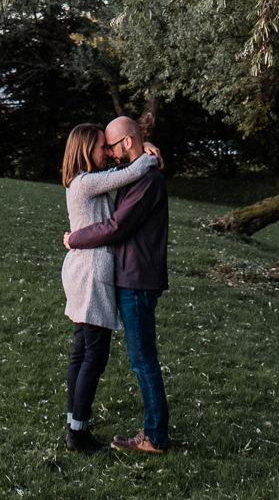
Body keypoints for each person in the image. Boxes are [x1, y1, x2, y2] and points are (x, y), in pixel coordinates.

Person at [63, 115, 170, 455]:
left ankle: (81, 429)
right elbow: (115, 216)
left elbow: (117, 220)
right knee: (91, 355)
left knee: (102, 356)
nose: (107, 153)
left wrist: (146, 153)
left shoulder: (134, 180)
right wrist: (145, 155)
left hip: (119, 275)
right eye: (101, 147)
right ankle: (77, 432)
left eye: (110, 146)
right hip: (94, 273)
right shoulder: (88, 182)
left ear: (125, 142)